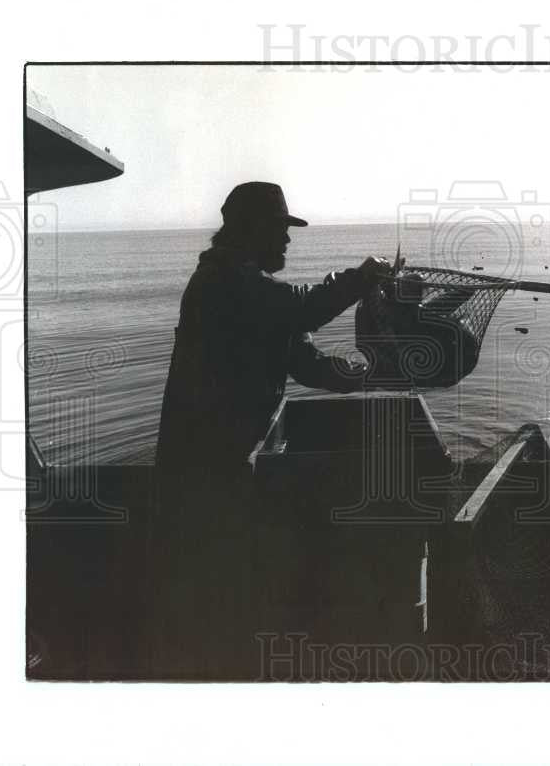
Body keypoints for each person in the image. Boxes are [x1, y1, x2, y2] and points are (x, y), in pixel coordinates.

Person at [149, 181, 391, 677]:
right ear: (248, 230)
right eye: (279, 230)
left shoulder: (247, 289)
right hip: (202, 472)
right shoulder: (222, 281)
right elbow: (300, 309)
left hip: (230, 464)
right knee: (213, 594)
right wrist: (361, 280)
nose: (286, 241)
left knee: (233, 583)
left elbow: (304, 361)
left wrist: (368, 373)